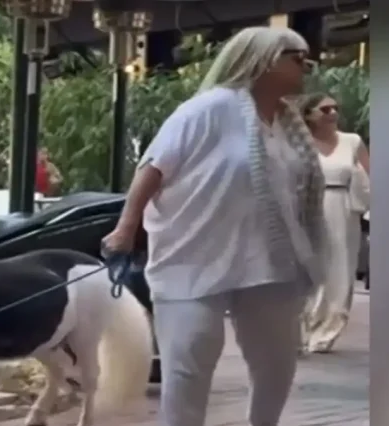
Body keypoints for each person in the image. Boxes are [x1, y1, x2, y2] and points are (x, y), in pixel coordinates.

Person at [101, 26, 325, 426]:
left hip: (269, 261)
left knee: (277, 364)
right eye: (298, 58)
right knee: (188, 363)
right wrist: (125, 228)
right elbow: (152, 167)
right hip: (194, 258)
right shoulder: (208, 109)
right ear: (263, 59)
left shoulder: (289, 125)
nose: (308, 66)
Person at [298, 93, 370, 353]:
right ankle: (302, 330)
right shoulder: (300, 142)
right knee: (309, 270)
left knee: (340, 272)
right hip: (308, 207)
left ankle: (327, 332)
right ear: (309, 115)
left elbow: (371, 177)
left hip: (342, 209)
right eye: (325, 109)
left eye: (335, 108)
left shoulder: (352, 141)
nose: (332, 113)